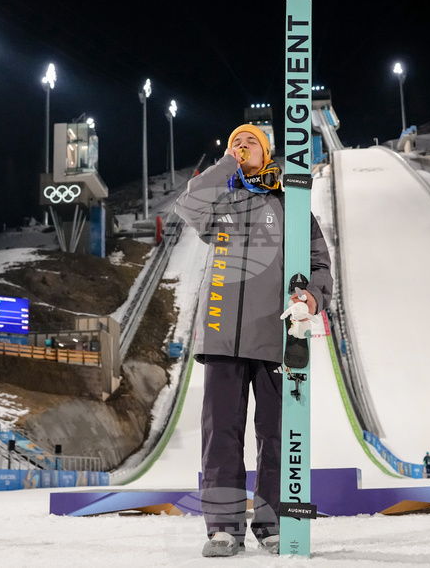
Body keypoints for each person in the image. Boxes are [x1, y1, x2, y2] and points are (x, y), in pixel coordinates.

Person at [176, 124, 333, 558]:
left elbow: (320, 263)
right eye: (234, 143)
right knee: (221, 436)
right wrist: (227, 164)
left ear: (267, 154)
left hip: (274, 334)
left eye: (251, 143)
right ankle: (223, 529)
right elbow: (187, 202)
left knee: (276, 435)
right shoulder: (220, 198)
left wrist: (313, 299)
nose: (241, 147)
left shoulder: (290, 202)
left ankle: (272, 523)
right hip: (221, 334)